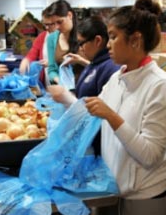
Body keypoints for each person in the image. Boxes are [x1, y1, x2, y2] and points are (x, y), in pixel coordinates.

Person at [84, 0, 166, 215]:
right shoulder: (118, 78)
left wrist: (112, 116)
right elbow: (92, 110)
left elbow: (149, 154)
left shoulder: (160, 86)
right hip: (116, 190)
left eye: (114, 37)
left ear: (135, 40)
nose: (107, 44)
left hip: (146, 198)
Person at [48, 15, 120, 155]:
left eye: (82, 43)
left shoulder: (110, 69)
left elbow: (101, 113)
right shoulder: (94, 64)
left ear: (98, 41)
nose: (80, 48)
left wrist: (67, 98)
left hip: (97, 147)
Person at [45, 0, 82, 85]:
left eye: (60, 22)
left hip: (84, 88)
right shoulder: (51, 39)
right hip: (64, 90)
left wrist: (81, 61)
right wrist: (61, 83)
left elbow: (95, 67)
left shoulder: (85, 35)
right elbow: (52, 70)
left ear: (69, 15)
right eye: (54, 23)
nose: (57, 27)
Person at [19, 8, 58, 86]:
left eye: (50, 24)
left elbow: (69, 62)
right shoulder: (42, 36)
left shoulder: (65, 38)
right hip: (46, 81)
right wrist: (26, 60)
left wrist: (52, 64)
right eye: (45, 24)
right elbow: (33, 52)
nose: (47, 28)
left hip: (61, 81)